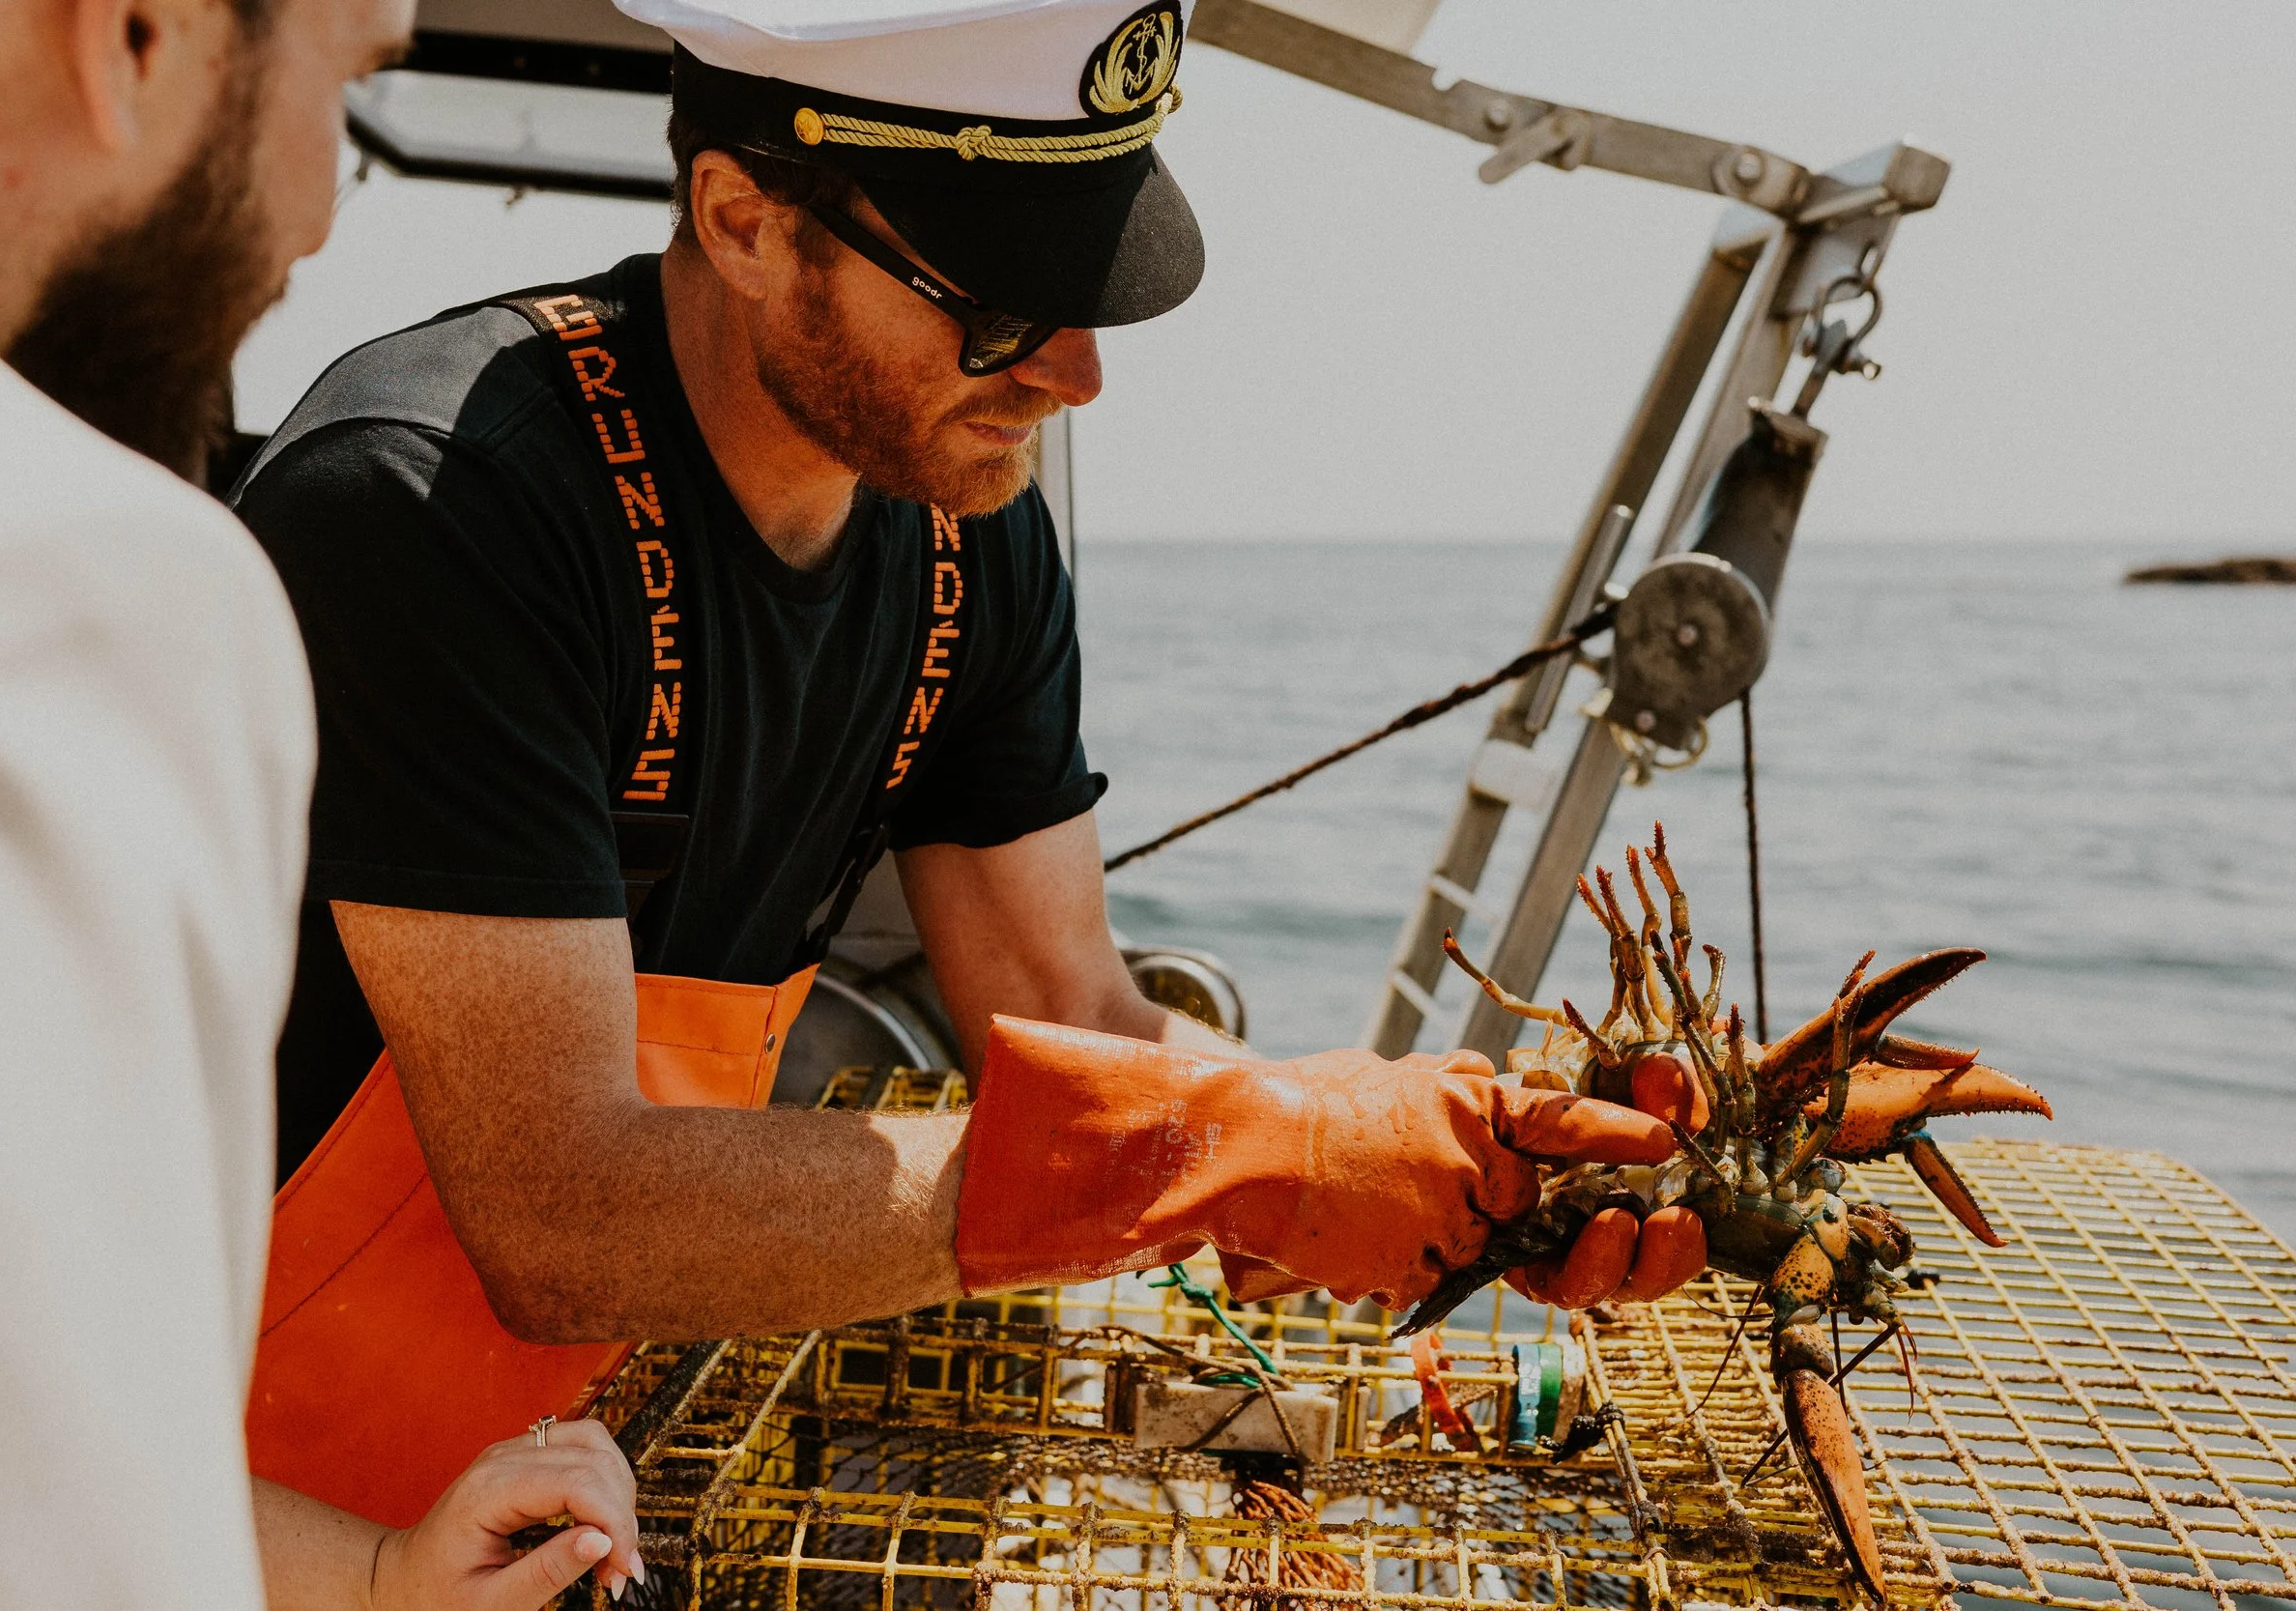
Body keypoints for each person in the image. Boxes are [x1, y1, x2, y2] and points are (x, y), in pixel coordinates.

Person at [233, 0, 1711, 1532]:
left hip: (549, 1462)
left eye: (1091, 296)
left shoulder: (967, 533)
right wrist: (1223, 1154)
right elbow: (558, 1211)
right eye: (1002, 305)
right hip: (236, 1494)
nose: (1073, 375)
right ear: (743, 221)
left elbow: (1074, 1011)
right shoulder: (439, 508)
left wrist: (1476, 1166)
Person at [0, 0, 646, 1605]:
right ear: (133, 34)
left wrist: (382, 1575)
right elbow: (54, 1533)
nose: (322, 211)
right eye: (344, 83)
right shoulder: (86, 586)